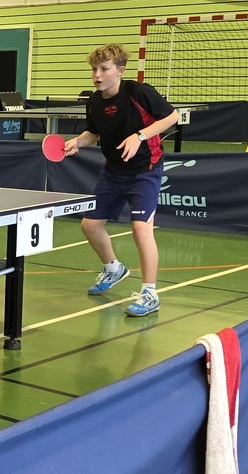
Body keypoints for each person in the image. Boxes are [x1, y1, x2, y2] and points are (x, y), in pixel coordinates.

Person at [59, 43, 183, 318]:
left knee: (141, 228)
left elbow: (172, 116)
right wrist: (78, 142)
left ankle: (150, 293)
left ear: (120, 70)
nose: (97, 75)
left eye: (104, 69)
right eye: (94, 69)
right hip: (113, 170)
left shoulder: (139, 92)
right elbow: (93, 132)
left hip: (145, 170)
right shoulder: (94, 101)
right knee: (90, 225)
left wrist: (139, 136)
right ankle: (113, 268)